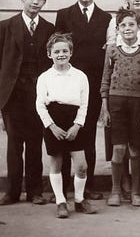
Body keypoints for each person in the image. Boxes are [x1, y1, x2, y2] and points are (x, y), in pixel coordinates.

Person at [54, 0, 111, 201]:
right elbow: (57, 49)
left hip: (93, 86)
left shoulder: (106, 17)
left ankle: (87, 185)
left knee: (87, 135)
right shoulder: (64, 14)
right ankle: (65, 185)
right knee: (67, 132)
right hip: (67, 85)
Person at [0, 0, 54, 205]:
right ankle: (12, 191)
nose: (35, 2)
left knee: (34, 143)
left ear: (44, 2)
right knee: (14, 143)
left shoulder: (49, 29)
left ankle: (34, 191)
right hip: (13, 95)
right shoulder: (5, 27)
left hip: (38, 95)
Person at [104, 0, 140, 200]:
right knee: (118, 149)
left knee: (136, 148)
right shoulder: (112, 50)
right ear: (118, 29)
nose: (128, 29)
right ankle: (116, 189)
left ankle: (136, 190)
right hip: (116, 102)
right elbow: (104, 79)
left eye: (132, 26)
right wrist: (104, 107)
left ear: (139, 28)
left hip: (139, 102)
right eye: (123, 26)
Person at [36, 33, 97, 218]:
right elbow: (39, 104)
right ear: (49, 54)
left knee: (81, 166)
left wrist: (77, 125)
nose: (61, 54)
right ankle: (60, 201)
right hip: (54, 122)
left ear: (71, 53)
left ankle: (79, 200)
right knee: (56, 164)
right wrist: (51, 126)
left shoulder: (80, 76)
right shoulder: (44, 77)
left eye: (65, 50)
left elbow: (85, 103)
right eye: (56, 51)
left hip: (74, 123)